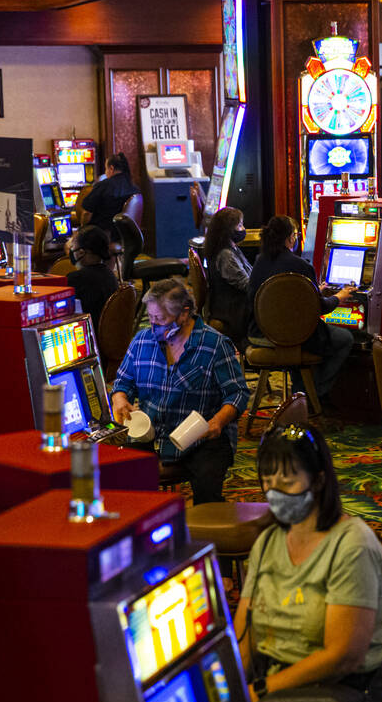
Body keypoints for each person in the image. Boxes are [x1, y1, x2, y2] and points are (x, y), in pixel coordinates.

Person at [234, 424, 382, 702]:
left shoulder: (351, 544)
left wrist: (259, 692)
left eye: (287, 482)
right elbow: (245, 640)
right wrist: (227, 691)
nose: (274, 493)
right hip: (273, 684)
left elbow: (342, 656)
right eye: (268, 482)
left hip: (334, 694)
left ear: (318, 480)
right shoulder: (267, 542)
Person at [111, 279, 249, 504]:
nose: (154, 328)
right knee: (118, 477)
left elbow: (238, 393)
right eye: (151, 319)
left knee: (207, 492)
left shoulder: (214, 345)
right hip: (150, 431)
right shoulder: (142, 340)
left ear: (184, 314)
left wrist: (218, 421)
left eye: (161, 320)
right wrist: (119, 398)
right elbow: (123, 381)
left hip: (201, 439)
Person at [247, 215, 355, 399]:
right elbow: (320, 308)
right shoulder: (300, 265)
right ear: (290, 238)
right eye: (295, 235)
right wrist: (339, 296)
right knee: (344, 338)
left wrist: (313, 291)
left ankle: (303, 390)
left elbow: (279, 299)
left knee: (303, 331)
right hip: (291, 336)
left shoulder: (260, 261)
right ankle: (315, 393)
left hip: (258, 332)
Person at [202, 205, 252, 346]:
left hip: (231, 305)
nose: (243, 229)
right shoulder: (226, 254)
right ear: (229, 230)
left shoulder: (229, 248)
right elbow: (246, 285)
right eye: (240, 225)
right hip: (232, 311)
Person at [65, 225, 119, 331]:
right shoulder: (110, 274)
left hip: (88, 335)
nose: (71, 251)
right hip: (110, 335)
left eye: (72, 247)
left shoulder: (76, 279)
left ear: (81, 252)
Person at [78, 153, 138, 230]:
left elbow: (87, 213)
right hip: (125, 234)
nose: (105, 172)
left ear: (111, 168)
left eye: (106, 169)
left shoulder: (104, 186)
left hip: (102, 235)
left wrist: (82, 229)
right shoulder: (134, 188)